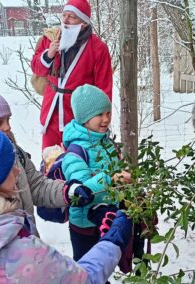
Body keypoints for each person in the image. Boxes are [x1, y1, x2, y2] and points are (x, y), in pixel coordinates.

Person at [0, 126, 133, 283]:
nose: (18, 171)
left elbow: (36, 184)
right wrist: (113, 242)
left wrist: (69, 191)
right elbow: (82, 279)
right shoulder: (19, 253)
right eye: (9, 167)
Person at [0, 86, 95, 235]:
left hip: (29, 246)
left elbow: (36, 185)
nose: (8, 126)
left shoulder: (16, 153)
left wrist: (68, 191)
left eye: (8, 119)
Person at [56, 84, 131, 261]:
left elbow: (117, 171)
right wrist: (111, 180)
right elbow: (81, 192)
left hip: (105, 218)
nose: (106, 119)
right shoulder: (75, 151)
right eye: (99, 114)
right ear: (84, 118)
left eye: (108, 113)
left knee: (102, 267)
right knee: (86, 270)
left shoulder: (105, 142)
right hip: (84, 226)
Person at [31, 0, 113, 149]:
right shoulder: (50, 40)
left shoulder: (98, 48)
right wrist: (49, 54)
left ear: (83, 22)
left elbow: (104, 88)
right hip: (52, 111)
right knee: (49, 158)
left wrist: (102, 119)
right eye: (64, 15)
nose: (66, 20)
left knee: (77, 159)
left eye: (72, 17)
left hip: (79, 115)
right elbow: (37, 69)